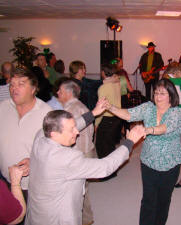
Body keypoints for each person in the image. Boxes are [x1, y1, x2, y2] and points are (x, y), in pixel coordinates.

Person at [25, 102, 145, 225]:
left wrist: (93, 113)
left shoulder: (41, 135)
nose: (77, 132)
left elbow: (70, 124)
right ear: (55, 134)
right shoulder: (66, 158)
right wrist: (130, 142)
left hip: (35, 215)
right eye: (72, 130)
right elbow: (105, 167)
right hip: (57, 219)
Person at [104, 78, 181, 225]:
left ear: (171, 96)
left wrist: (147, 130)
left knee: (163, 200)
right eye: (156, 93)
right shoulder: (148, 107)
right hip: (149, 161)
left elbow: (166, 127)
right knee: (148, 199)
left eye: (162, 94)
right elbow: (129, 114)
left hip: (170, 164)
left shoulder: (177, 112)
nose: (158, 97)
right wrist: (111, 108)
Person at [0, 68, 52, 211]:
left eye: (21, 84)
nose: (14, 88)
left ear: (33, 88)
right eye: (12, 84)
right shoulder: (3, 107)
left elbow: (56, 149)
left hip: (34, 185)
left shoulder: (47, 114)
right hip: (5, 181)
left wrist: (34, 160)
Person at [57, 79, 95, 225]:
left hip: (77, 155)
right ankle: (87, 219)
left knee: (75, 192)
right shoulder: (81, 106)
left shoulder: (69, 112)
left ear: (68, 92)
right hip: (86, 152)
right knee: (82, 190)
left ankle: (82, 220)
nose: (57, 93)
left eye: (60, 91)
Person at [95, 64, 122, 173]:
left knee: (102, 146)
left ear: (104, 73)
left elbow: (101, 107)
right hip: (117, 117)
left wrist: (96, 123)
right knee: (110, 144)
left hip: (107, 118)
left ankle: (107, 172)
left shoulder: (104, 87)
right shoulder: (117, 83)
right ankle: (113, 169)